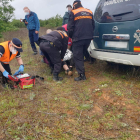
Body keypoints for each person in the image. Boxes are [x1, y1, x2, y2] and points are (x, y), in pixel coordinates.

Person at [68, 0, 95, 81]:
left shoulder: (73, 12)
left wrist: (71, 36)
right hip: (88, 38)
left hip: (78, 38)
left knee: (78, 56)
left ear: (74, 5)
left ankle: (82, 75)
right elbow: (93, 25)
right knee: (82, 53)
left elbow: (70, 27)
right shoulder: (89, 11)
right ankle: (82, 68)